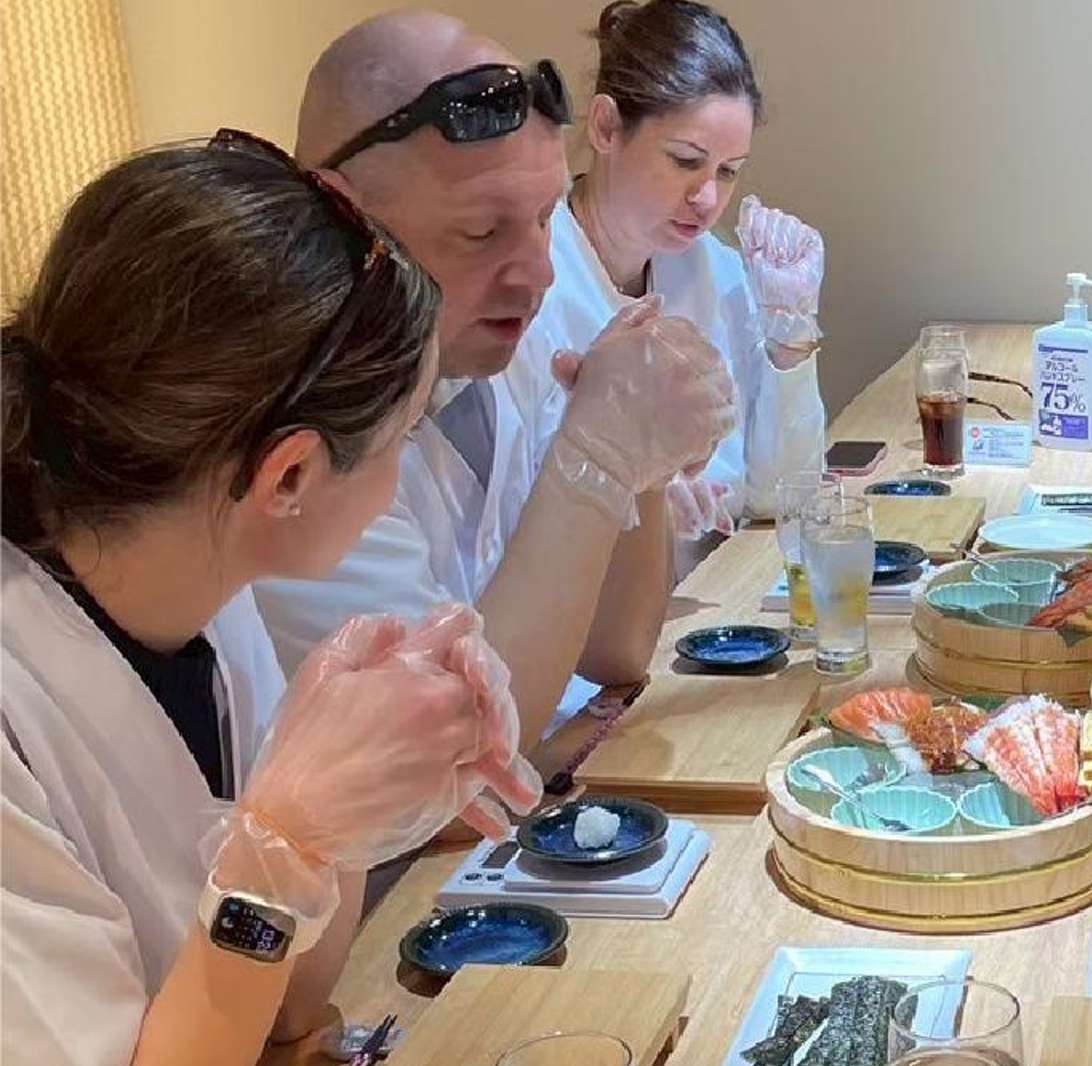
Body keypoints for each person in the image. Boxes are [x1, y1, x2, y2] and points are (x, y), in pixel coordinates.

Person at [0, 137, 541, 1066]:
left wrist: (350, 798)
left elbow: (288, 1007)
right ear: (287, 474)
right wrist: (278, 849)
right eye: (404, 436)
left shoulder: (209, 592)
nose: (404, 464)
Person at [254, 11, 739, 752]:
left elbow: (615, 650)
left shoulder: (500, 350)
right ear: (339, 216)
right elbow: (448, 767)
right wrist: (596, 456)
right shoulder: (300, 435)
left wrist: (640, 457)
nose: (540, 274)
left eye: (545, 219)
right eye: (482, 233)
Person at [525, 0, 827, 578]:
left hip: (720, 598)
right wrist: (636, 499)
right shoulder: (534, 281)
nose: (708, 198)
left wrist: (791, 336)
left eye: (728, 171)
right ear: (607, 127)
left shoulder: (714, 269)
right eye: (686, 161)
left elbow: (783, 495)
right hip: (589, 639)